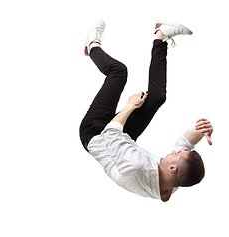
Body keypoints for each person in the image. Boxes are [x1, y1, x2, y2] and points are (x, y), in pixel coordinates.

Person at [79, 20, 213, 202]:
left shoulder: (136, 166)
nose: (174, 151)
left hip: (97, 133)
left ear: (172, 168)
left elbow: (111, 132)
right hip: (123, 142)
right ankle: (161, 36)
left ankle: (92, 46)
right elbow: (184, 145)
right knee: (157, 97)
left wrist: (130, 106)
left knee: (118, 72)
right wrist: (202, 130)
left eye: (176, 155)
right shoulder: (174, 182)